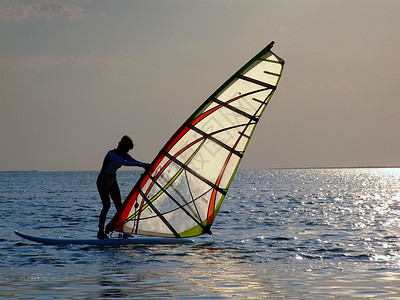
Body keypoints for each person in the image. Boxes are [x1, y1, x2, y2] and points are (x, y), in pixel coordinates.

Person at [97, 135, 149, 239]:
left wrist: (145, 165)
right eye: (127, 149)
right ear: (123, 147)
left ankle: (124, 231)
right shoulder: (111, 154)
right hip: (103, 179)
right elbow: (123, 163)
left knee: (119, 207)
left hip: (112, 179)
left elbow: (133, 160)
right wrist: (139, 164)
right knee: (106, 205)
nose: (128, 152)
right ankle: (100, 232)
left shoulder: (124, 155)